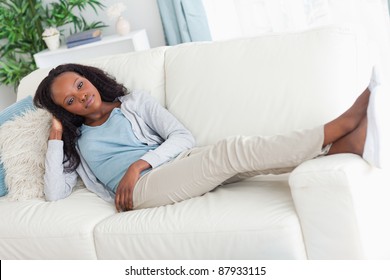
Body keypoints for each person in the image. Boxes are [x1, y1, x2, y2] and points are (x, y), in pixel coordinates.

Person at [33, 63, 382, 212]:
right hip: (140, 193)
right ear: (67, 110)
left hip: (167, 167)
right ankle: (342, 123)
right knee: (230, 153)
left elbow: (182, 137)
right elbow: (54, 192)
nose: (81, 96)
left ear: (88, 77)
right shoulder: (74, 143)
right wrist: (56, 133)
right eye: (69, 101)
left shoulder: (135, 103)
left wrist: (139, 164)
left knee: (243, 157)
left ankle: (344, 146)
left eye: (79, 85)